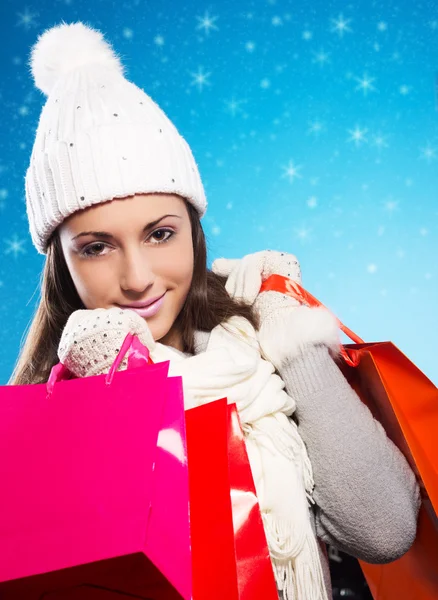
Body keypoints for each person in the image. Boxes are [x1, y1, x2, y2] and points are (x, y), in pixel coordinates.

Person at [9, 21, 420, 600]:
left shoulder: (258, 342)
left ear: (194, 231)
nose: (137, 278)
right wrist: (105, 398)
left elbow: (383, 532)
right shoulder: (44, 411)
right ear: (61, 263)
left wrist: (288, 330)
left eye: (159, 234)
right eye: (97, 247)